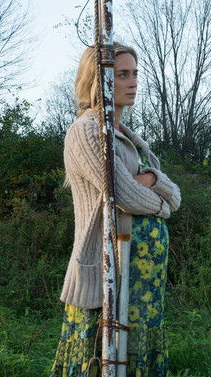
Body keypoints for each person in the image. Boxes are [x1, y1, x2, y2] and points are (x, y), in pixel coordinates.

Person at [51, 43, 181, 377]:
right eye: (122, 75)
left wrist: (150, 179)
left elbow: (176, 197)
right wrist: (160, 202)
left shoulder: (134, 140)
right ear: (98, 81)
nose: (132, 82)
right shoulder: (87, 131)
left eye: (134, 73)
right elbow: (125, 196)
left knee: (133, 356)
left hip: (141, 274)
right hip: (108, 268)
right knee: (101, 358)